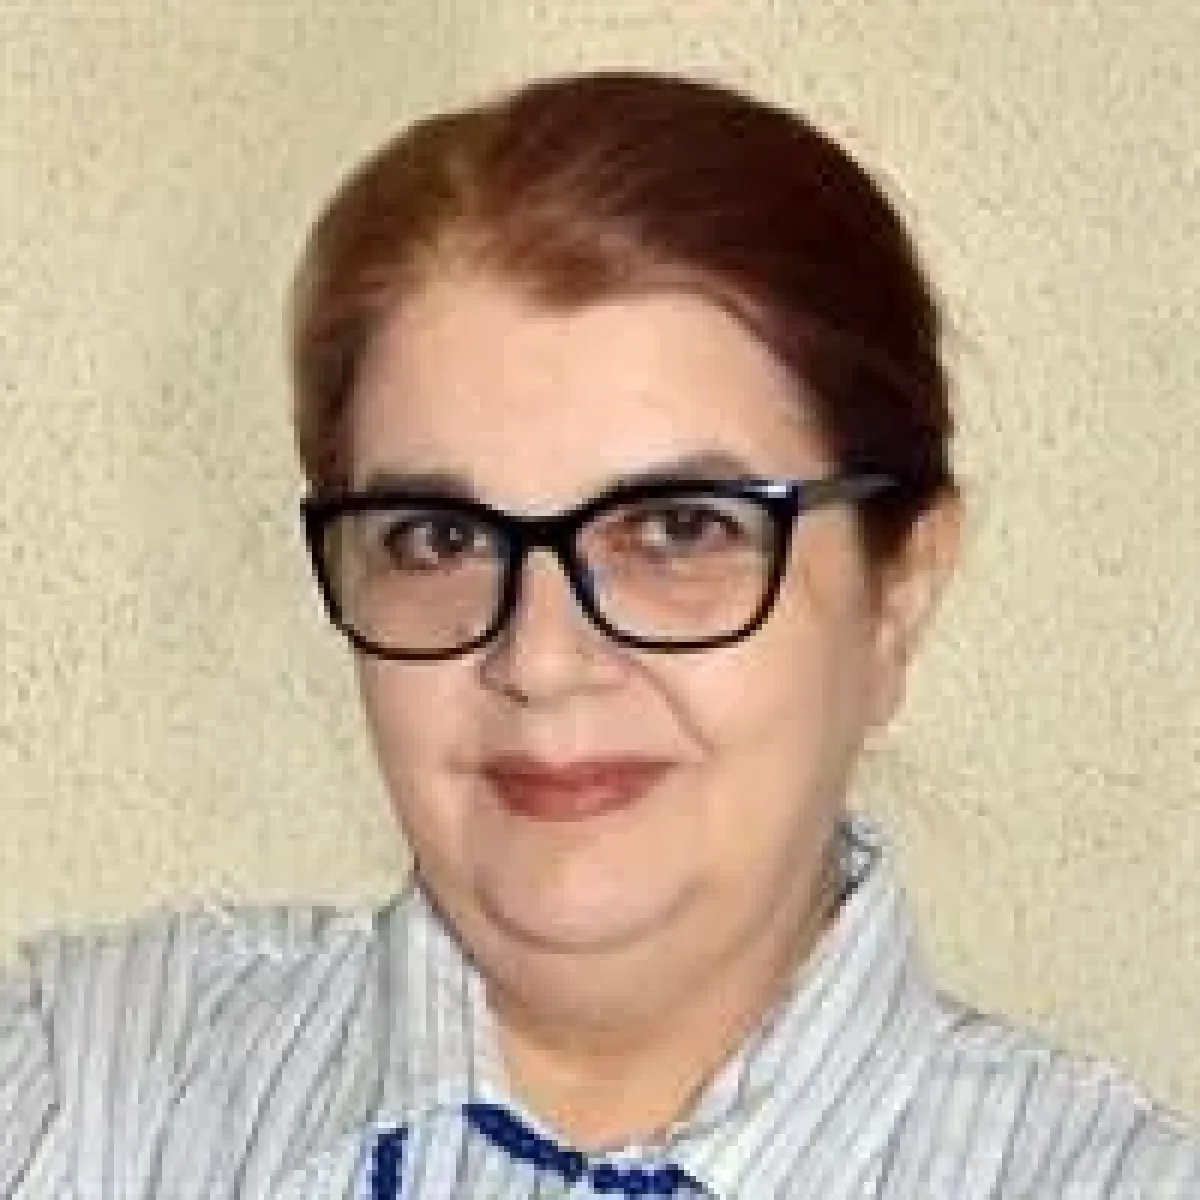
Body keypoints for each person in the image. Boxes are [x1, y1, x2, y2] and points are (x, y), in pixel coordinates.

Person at [1, 70, 1196, 1200]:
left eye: (678, 529)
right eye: (439, 539)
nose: (539, 660)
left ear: (900, 593)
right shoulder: (79, 1098)